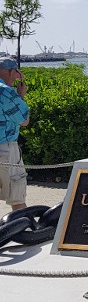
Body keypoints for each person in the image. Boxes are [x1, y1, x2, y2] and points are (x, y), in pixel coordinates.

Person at [0, 56, 29, 211]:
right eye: (16, 74)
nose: (16, 78)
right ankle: (22, 228)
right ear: (9, 72)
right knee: (16, 195)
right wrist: (20, 96)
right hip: (6, 148)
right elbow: (24, 120)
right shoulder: (6, 92)